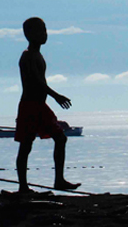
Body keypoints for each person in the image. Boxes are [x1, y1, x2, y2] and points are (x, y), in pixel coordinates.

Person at [14, 17, 80, 193]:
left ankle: (59, 180)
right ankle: (23, 187)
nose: (44, 34)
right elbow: (36, 82)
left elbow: (40, 81)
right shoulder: (27, 56)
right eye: (40, 31)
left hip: (40, 105)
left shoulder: (38, 55)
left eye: (45, 30)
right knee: (26, 145)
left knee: (60, 138)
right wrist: (56, 96)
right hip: (30, 105)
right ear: (28, 34)